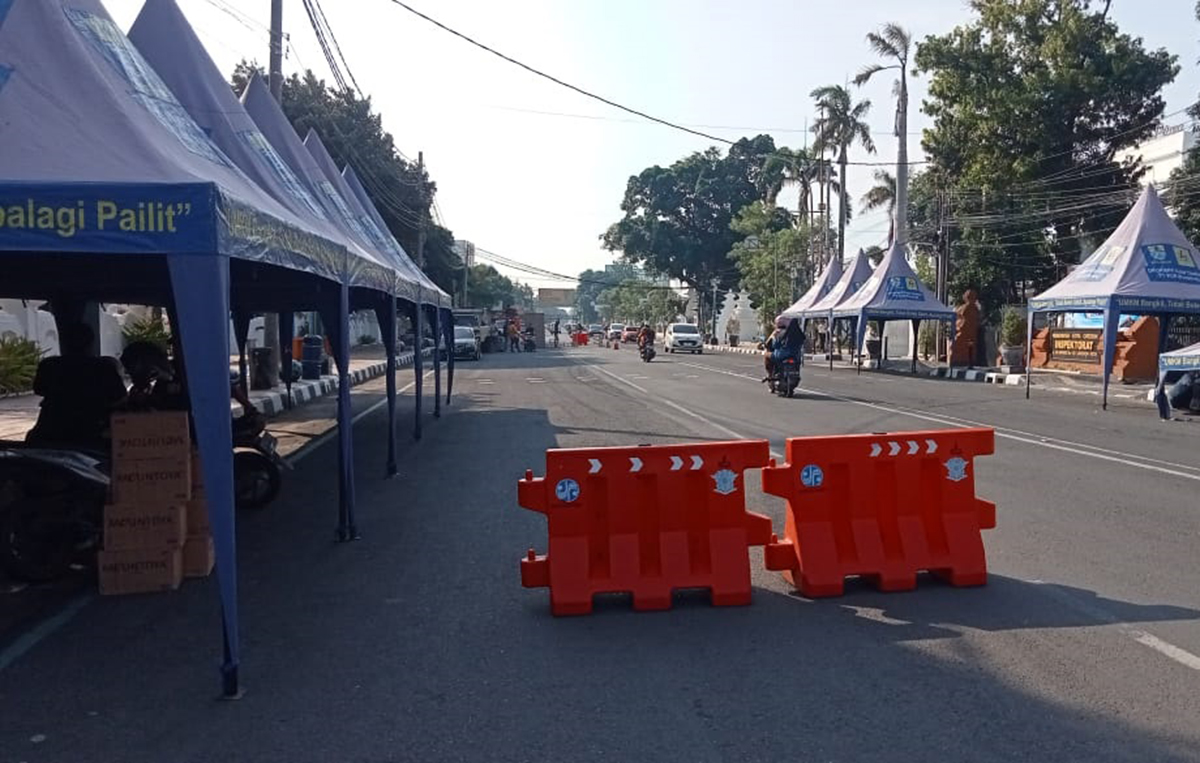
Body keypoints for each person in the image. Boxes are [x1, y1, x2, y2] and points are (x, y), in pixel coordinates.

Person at [26, 323, 127, 451]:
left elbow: (39, 389)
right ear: (91, 342)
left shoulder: (50, 365)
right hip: (91, 433)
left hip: (51, 429)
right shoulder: (104, 367)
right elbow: (120, 399)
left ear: (64, 342)